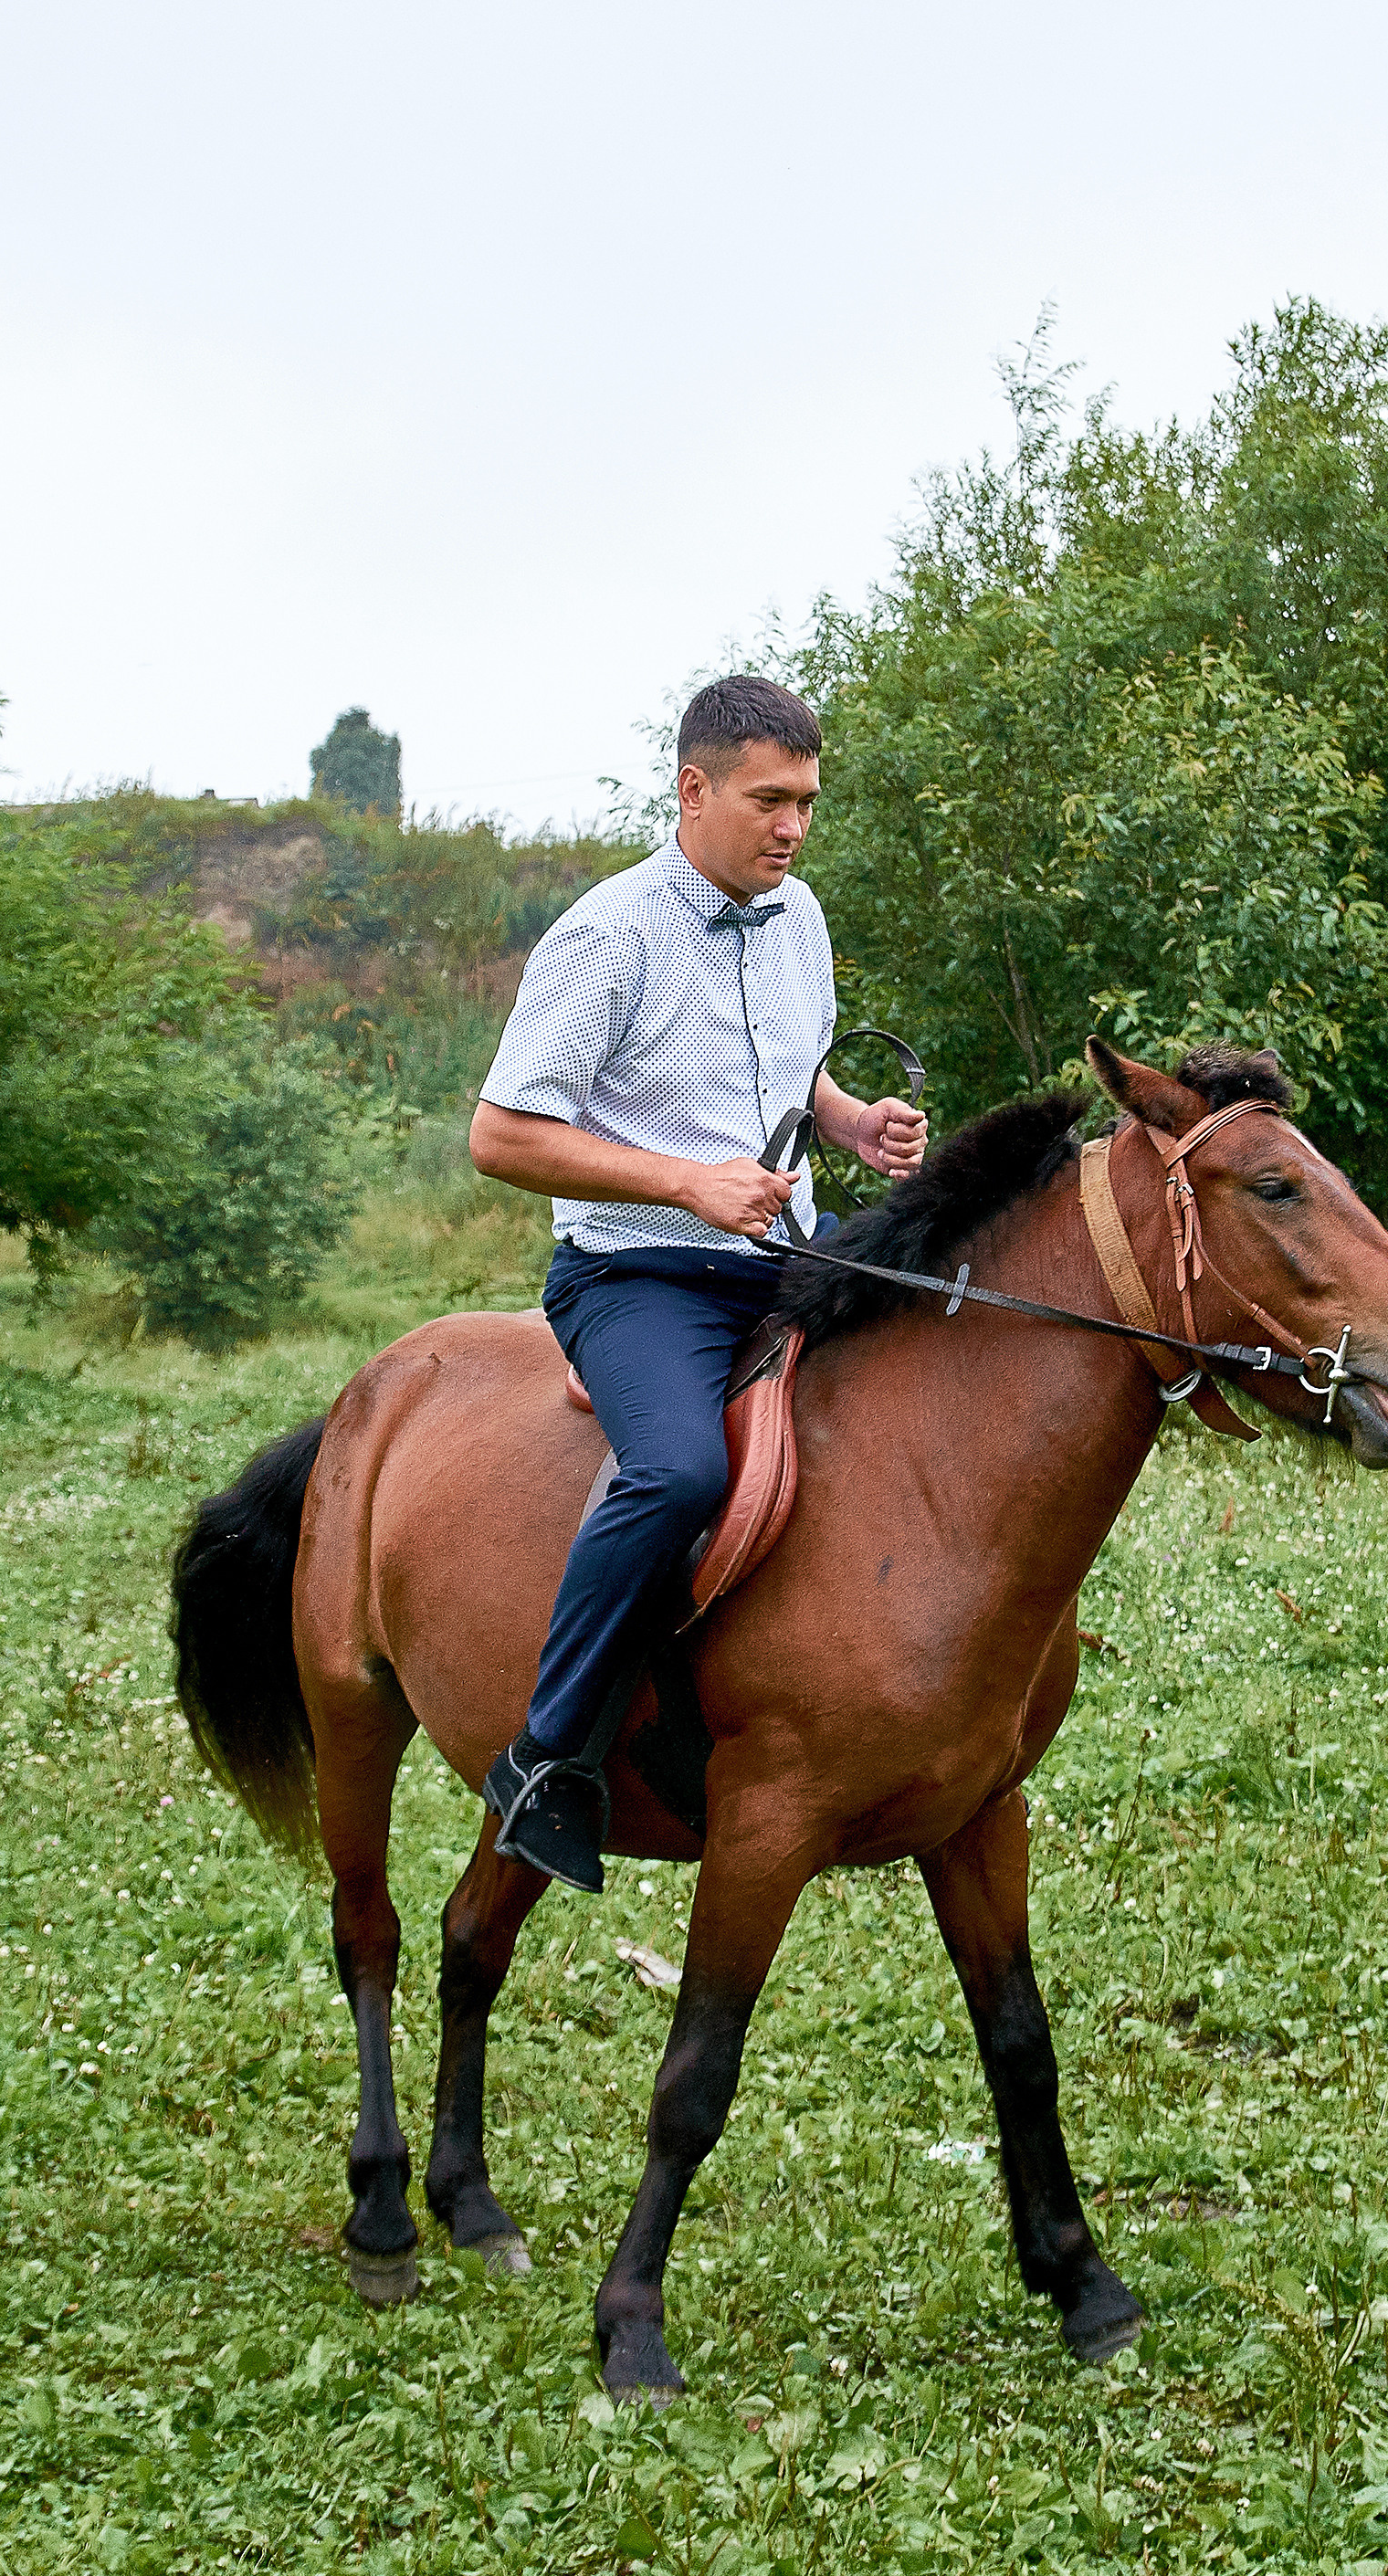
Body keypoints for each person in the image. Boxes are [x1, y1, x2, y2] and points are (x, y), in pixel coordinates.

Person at [468, 674, 928, 1892]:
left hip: (791, 1264)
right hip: (640, 1276)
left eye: (808, 804)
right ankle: (546, 1754)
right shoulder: (609, 935)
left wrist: (850, 1122)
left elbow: (788, 1075)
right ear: (693, 788)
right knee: (678, 1474)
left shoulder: (802, 913)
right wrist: (688, 1184)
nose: (792, 827)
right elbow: (502, 1136)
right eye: (769, 801)